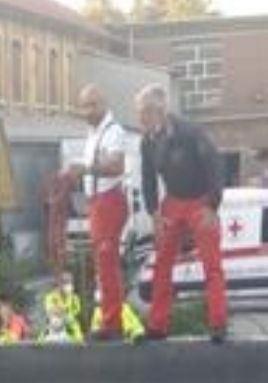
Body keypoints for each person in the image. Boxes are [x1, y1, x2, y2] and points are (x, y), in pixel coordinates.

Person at [136, 84, 228, 343]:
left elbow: (215, 166)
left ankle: (218, 323)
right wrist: (154, 213)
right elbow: (148, 180)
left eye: (145, 112)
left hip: (201, 200)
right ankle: (158, 325)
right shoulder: (147, 141)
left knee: (211, 264)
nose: (140, 118)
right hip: (173, 201)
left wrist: (212, 205)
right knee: (162, 263)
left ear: (160, 110)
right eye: (139, 112)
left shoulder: (191, 132)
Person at [63, 85, 128, 341]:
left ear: (103, 104)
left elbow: (116, 165)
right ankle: (110, 320)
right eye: (83, 106)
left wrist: (85, 169)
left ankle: (112, 324)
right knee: (103, 264)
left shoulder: (114, 131)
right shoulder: (93, 132)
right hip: (97, 202)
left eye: (91, 105)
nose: (86, 112)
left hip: (108, 201)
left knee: (106, 262)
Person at [43, 272, 83, 340]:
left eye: (70, 283)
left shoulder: (74, 298)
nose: (69, 286)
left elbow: (76, 312)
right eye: (66, 283)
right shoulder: (51, 297)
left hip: (71, 328)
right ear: (60, 285)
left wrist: (64, 314)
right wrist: (61, 314)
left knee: (78, 342)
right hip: (54, 327)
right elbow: (50, 311)